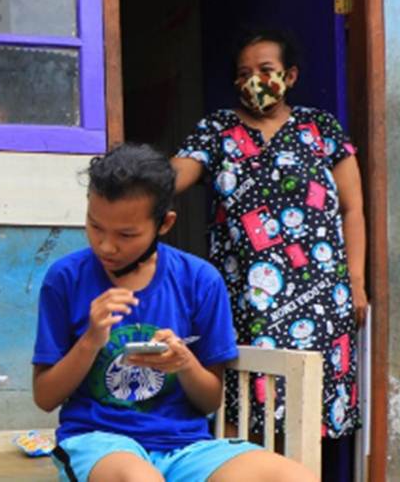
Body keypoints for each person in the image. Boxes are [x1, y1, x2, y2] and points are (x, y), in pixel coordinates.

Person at [32, 144, 316, 482]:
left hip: (186, 447)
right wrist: (91, 340)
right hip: (99, 443)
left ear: (164, 224)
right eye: (95, 227)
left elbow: (209, 399)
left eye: (126, 234)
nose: (106, 246)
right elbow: (45, 397)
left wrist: (184, 363)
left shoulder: (200, 280)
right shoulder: (65, 279)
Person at [171, 29, 366, 480]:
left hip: (320, 298)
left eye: (265, 71)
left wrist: (355, 279)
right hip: (247, 300)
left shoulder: (320, 129)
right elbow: (177, 174)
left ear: (290, 76)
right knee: (246, 408)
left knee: (306, 410)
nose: (254, 81)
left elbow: (353, 208)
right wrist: (138, 180)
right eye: (244, 73)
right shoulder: (218, 129)